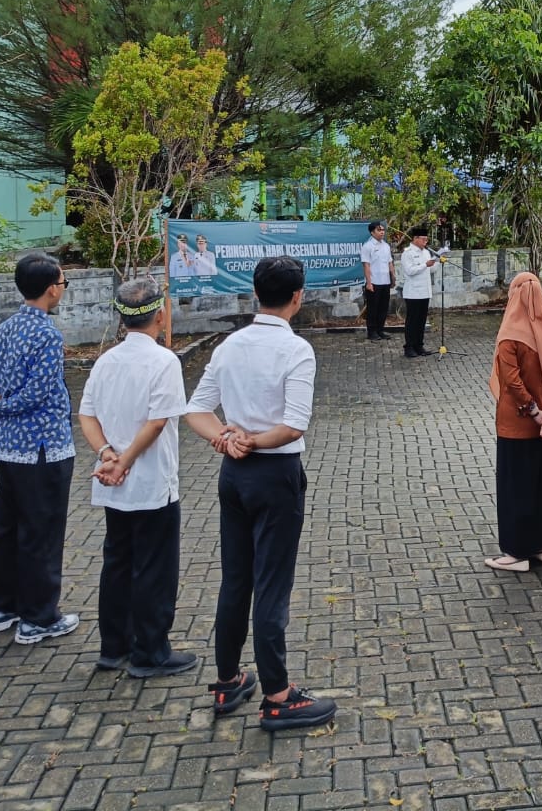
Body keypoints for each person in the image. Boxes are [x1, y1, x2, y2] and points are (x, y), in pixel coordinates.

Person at [184, 256, 337, 730]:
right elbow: (292, 426)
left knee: (236, 580)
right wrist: (251, 440)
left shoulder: (230, 345)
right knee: (272, 585)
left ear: (255, 293)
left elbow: (196, 409)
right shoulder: (295, 351)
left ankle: (228, 679)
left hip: (234, 476)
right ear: (298, 297)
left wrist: (225, 439)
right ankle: (277, 694)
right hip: (275, 476)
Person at [78, 279, 197, 677]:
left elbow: (87, 415)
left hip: (112, 479)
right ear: (161, 314)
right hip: (149, 481)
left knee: (117, 561)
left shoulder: (106, 360)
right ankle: (150, 651)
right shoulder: (163, 361)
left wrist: (106, 454)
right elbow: (158, 422)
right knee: (153, 568)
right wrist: (125, 459)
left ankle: (113, 646)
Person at [0, 254, 80, 644]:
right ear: (52, 287)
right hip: (44, 447)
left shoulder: (4, 329)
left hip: (9, 447)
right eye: (62, 283)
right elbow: (38, 391)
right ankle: (38, 617)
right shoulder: (47, 334)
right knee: (41, 531)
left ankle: (3, 606)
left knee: (8, 528)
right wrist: (4, 406)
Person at [486, 273, 542, 572]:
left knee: (515, 487)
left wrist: (534, 413)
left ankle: (516, 553)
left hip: (517, 425)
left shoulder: (510, 336)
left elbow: (512, 382)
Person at [399, 227, 438, 358]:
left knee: (421, 320)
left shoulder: (426, 252)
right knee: (412, 321)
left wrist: (437, 261)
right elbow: (410, 271)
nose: (425, 242)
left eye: (427, 239)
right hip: (413, 292)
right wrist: (425, 265)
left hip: (425, 292)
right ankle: (409, 347)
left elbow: (431, 270)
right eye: (423, 239)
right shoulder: (407, 253)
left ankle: (419, 345)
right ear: (415, 239)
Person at [360, 222, 394, 342]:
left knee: (383, 308)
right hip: (374, 282)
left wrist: (393, 277)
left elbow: (390, 262)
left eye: (383, 230)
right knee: (373, 309)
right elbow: (366, 265)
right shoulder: (367, 246)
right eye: (379, 230)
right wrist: (369, 283)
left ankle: (380, 329)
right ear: (372, 232)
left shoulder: (386, 246)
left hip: (385, 281)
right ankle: (372, 332)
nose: (382, 232)